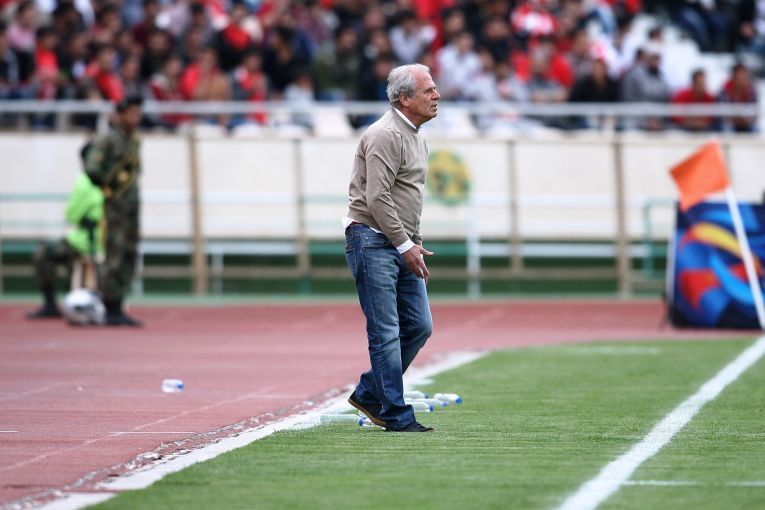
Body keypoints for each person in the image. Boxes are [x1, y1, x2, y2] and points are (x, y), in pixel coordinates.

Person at [344, 63, 440, 433]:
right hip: (372, 239)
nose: (436, 95)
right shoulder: (385, 134)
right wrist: (406, 245)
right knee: (385, 331)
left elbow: (405, 198)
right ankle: (396, 414)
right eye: (428, 90)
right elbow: (377, 197)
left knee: (419, 326)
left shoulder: (415, 135)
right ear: (404, 99)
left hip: (399, 242)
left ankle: (370, 392)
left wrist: (414, 242)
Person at [84, 96, 143, 327]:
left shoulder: (134, 140)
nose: (136, 118)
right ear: (121, 114)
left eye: (138, 113)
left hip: (131, 207)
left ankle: (119, 305)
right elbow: (92, 167)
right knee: (114, 255)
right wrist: (107, 188)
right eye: (132, 113)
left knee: (129, 254)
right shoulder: (109, 140)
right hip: (115, 208)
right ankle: (110, 305)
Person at [27, 142, 104, 319]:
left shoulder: (84, 181)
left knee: (43, 254)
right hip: (106, 240)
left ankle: (50, 304)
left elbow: (71, 215)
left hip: (87, 240)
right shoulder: (110, 181)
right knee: (70, 256)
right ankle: (79, 298)